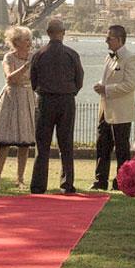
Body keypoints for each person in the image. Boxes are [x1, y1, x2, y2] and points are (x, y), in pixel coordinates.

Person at [29, 18, 84, 195]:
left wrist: (43, 91)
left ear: (47, 33)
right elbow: (79, 78)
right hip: (66, 100)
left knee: (42, 145)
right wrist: (71, 92)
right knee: (66, 144)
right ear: (63, 32)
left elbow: (33, 80)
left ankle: (38, 186)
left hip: (45, 100)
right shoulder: (72, 54)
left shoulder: (38, 54)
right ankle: (67, 183)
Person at [0, 25, 37, 190]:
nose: (29, 42)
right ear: (16, 42)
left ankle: (20, 179)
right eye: (26, 39)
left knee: (24, 143)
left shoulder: (33, 57)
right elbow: (10, 79)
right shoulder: (9, 57)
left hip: (27, 98)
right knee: (4, 143)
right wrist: (25, 67)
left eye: (30, 39)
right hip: (11, 98)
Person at [91, 25, 135, 191]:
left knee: (121, 150)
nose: (106, 41)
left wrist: (106, 89)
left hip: (121, 112)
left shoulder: (131, 58)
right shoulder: (108, 58)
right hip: (105, 110)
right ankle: (100, 181)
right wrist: (100, 85)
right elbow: (107, 80)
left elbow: (130, 85)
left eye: (109, 38)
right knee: (102, 146)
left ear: (119, 40)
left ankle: (121, 182)